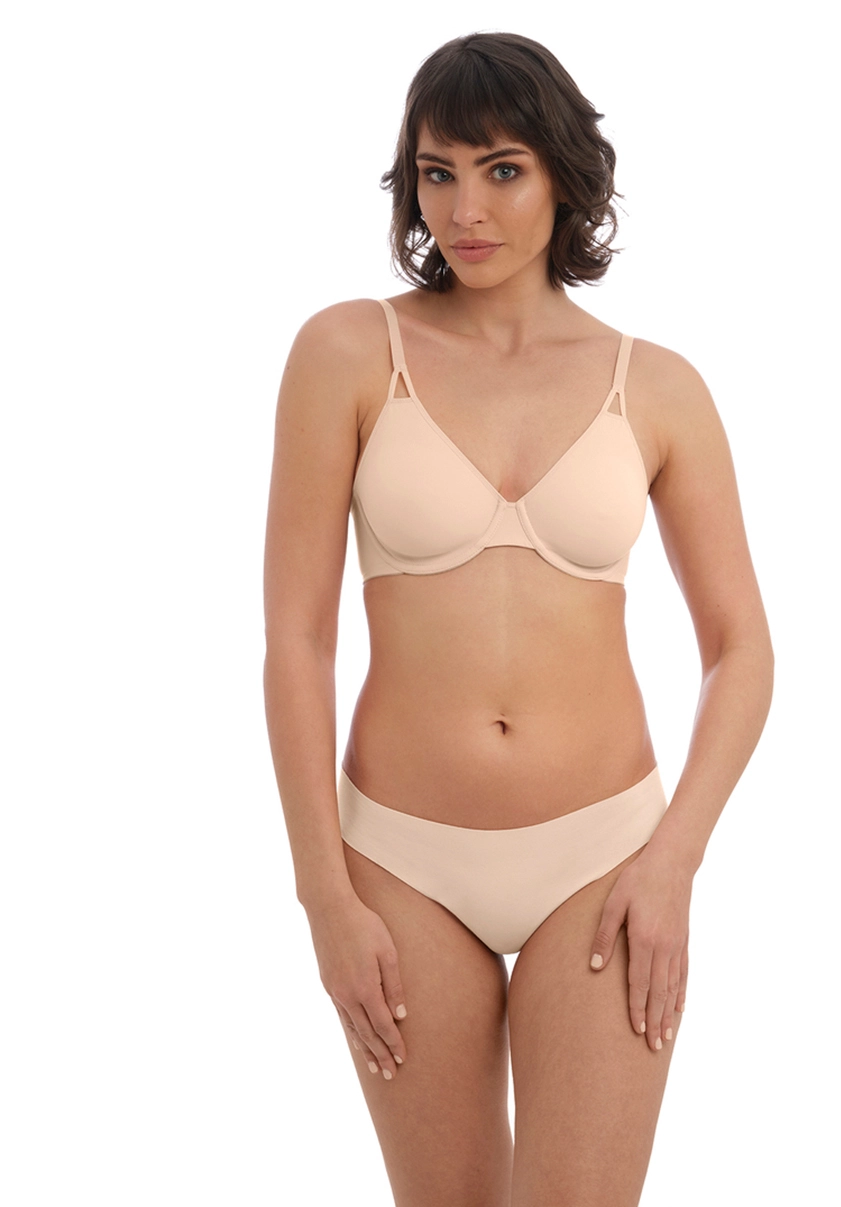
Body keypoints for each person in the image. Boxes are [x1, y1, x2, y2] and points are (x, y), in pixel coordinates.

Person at [263, 30, 773, 1207]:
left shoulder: (658, 386)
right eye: (436, 173)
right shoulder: (348, 351)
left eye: (501, 170)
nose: (464, 211)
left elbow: (741, 648)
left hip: (602, 859)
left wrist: (674, 860)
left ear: (562, 174)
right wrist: (322, 891)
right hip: (399, 859)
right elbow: (296, 639)